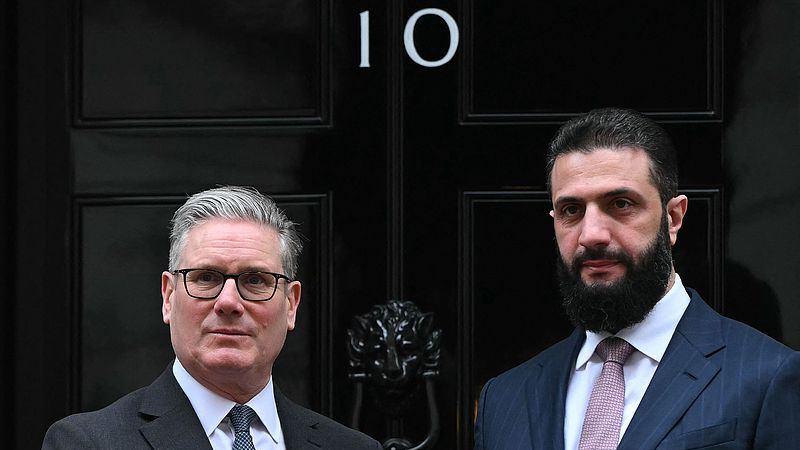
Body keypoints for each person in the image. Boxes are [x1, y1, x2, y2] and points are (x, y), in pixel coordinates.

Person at [473, 108, 800, 450]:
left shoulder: (768, 378)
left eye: (621, 204)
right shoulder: (504, 400)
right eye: (571, 210)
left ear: (673, 218)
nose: (592, 235)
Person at [43, 186, 381, 450]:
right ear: (168, 297)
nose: (229, 302)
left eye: (255, 280)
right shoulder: (87, 443)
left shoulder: (352, 447)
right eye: (206, 278)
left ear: (291, 304)